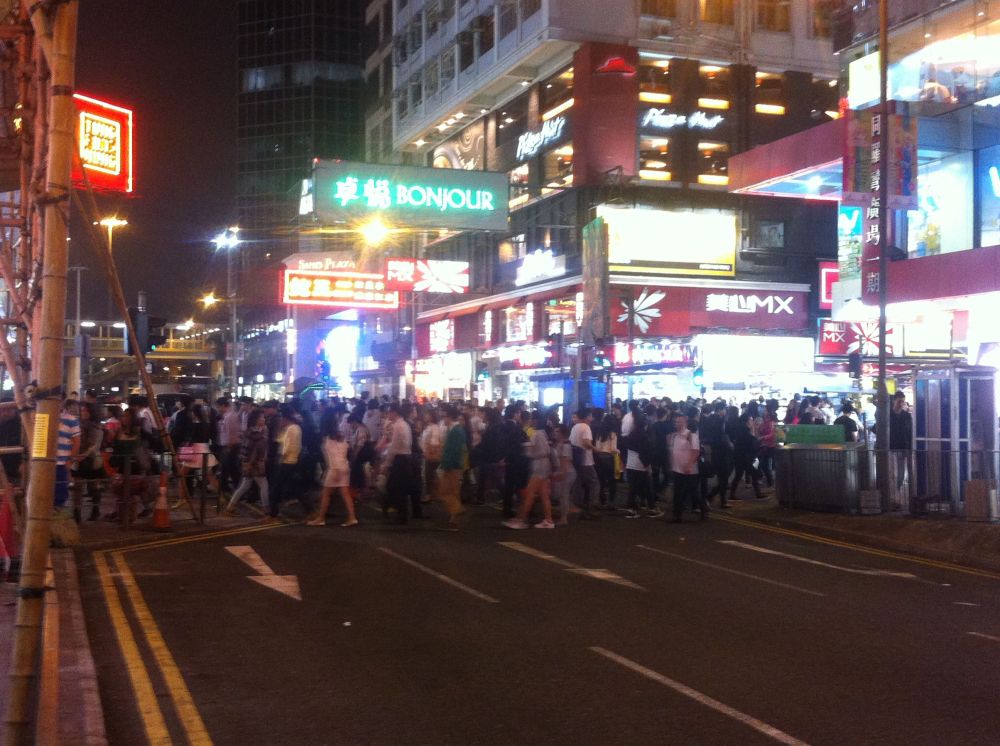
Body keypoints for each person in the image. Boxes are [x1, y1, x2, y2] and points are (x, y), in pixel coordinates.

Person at [503, 412, 555, 529]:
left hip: (538, 464)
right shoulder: (543, 433)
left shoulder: (536, 434)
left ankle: (521, 520)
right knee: (543, 494)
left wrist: (524, 447)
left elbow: (531, 450)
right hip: (544, 464)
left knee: (529, 494)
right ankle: (548, 519)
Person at [309, 412, 356, 527]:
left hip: (335, 468)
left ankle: (321, 518)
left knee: (326, 494)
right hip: (344, 467)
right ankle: (352, 517)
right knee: (345, 494)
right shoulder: (342, 437)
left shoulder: (327, 440)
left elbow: (329, 458)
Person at [225, 409, 270, 517]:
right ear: (256, 420)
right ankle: (266, 508)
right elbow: (252, 449)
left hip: (249, 463)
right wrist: (249, 462)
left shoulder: (252, 432)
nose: (264, 419)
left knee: (245, 485)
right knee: (263, 485)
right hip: (254, 464)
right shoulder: (256, 434)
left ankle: (230, 506)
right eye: (262, 417)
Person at [270, 404, 309, 520]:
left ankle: (273, 513)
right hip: (289, 461)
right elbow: (279, 440)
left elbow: (288, 447)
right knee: (294, 488)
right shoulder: (291, 428)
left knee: (277, 488)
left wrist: (281, 457)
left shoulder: (293, 429)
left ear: (285, 418)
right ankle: (310, 509)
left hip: (287, 462)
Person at [382, 403, 415, 523]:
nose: (387, 415)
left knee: (394, 487)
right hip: (406, 458)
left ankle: (397, 512)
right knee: (398, 487)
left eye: (389, 412)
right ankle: (396, 510)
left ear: (394, 413)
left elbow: (394, 447)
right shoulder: (404, 424)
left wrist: (387, 464)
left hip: (400, 459)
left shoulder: (397, 426)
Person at [74, 402, 106, 521]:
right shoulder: (77, 426)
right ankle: (77, 511)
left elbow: (95, 445)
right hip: (79, 458)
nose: (83, 413)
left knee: (93, 487)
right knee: (78, 487)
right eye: (82, 411)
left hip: (92, 459)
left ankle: (95, 510)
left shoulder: (96, 427)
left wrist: (84, 454)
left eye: (86, 411)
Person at [438, 405, 468, 531]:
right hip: (456, 465)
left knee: (444, 492)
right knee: (454, 493)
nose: (443, 418)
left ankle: (458, 510)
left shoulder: (455, 431)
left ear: (449, 416)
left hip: (452, 466)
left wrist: (446, 465)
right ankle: (454, 520)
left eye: (444, 416)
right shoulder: (456, 429)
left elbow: (453, 451)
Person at [668, 409, 701, 523]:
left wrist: (689, 465)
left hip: (689, 470)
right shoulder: (675, 435)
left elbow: (695, 451)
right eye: (676, 422)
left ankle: (703, 509)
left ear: (685, 423)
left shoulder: (691, 435)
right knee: (677, 493)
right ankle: (677, 516)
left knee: (693, 492)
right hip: (677, 469)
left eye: (679, 422)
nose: (677, 424)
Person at [624, 415, 659, 518]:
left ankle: (631, 509)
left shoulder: (631, 434)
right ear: (646, 425)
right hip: (640, 465)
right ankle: (652, 508)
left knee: (633, 488)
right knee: (648, 488)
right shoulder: (644, 436)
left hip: (630, 464)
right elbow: (645, 453)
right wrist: (648, 465)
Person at [569, 408, 600, 519]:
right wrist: (595, 449)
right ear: (587, 417)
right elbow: (586, 443)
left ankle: (577, 506)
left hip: (576, 460)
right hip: (586, 460)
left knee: (578, 484)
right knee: (594, 483)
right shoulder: (586, 427)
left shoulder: (575, 427)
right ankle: (593, 506)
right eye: (591, 415)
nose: (592, 417)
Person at [729, 412, 763, 501]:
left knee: (739, 475)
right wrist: (753, 431)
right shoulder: (746, 431)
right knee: (754, 474)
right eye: (751, 420)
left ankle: (732, 494)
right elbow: (753, 443)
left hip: (740, 456)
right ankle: (758, 494)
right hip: (748, 457)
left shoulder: (740, 429)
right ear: (746, 421)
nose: (752, 421)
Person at [56, 399, 81, 514]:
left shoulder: (71, 420)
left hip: (61, 462)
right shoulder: (44, 416)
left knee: (60, 492)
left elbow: (77, 442)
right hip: (45, 462)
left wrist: (70, 460)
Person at [889, 391, 914, 494]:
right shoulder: (887, 415)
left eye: (903, 402)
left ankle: (897, 491)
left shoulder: (907, 416)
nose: (901, 404)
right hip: (890, 448)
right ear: (893, 401)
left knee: (900, 473)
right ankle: (891, 492)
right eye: (899, 401)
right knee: (891, 473)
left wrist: (909, 448)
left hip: (903, 447)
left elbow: (910, 433)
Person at [593, 415, 618, 510]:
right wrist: (617, 451)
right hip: (609, 458)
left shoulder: (599, 433)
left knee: (601, 481)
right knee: (612, 482)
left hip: (599, 458)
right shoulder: (612, 434)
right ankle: (611, 502)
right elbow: (613, 449)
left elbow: (597, 448)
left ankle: (601, 500)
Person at [551, 424, 575, 525]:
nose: (554, 433)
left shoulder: (565, 445)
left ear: (562, 433)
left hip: (567, 472)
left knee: (563, 495)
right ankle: (567, 511)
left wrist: (562, 473)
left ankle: (563, 518)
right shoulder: (559, 444)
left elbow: (565, 461)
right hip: (564, 471)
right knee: (561, 495)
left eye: (557, 431)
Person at [419, 409, 444, 503]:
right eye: (425, 415)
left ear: (432, 416)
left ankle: (430, 494)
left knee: (429, 475)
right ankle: (436, 493)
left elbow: (434, 442)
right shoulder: (428, 427)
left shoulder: (434, 427)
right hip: (426, 454)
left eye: (428, 415)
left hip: (431, 454)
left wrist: (428, 451)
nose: (426, 417)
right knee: (431, 474)